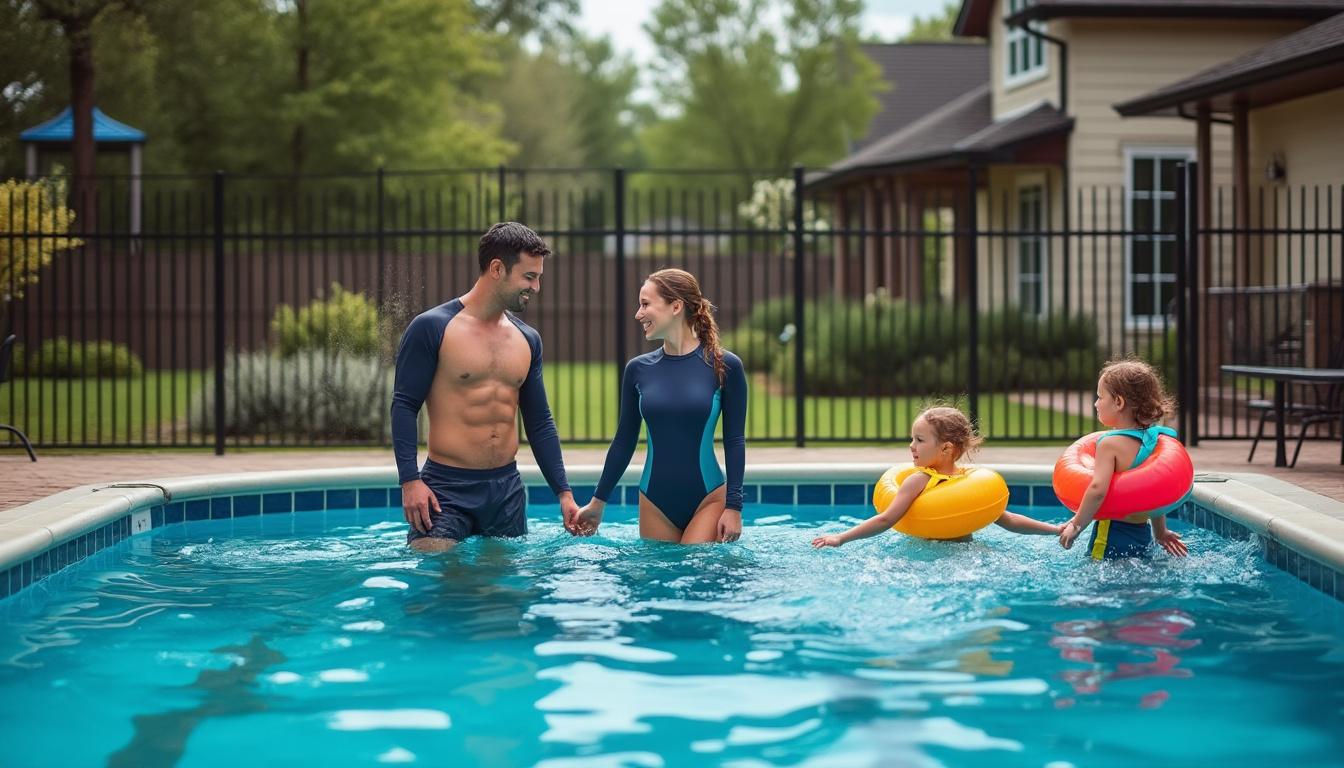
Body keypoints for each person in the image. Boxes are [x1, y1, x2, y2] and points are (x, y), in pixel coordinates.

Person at [390, 222, 577, 552]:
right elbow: (405, 405)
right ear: (497, 269)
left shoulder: (527, 339)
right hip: (445, 490)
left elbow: (539, 421)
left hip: (505, 491)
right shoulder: (433, 328)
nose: (536, 287)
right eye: (529, 277)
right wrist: (410, 481)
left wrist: (564, 494)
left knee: (502, 596)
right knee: (439, 580)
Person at [571, 268, 748, 544]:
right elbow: (624, 440)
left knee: (693, 570)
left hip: (708, 499)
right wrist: (598, 503)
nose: (637, 314)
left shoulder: (724, 366)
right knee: (658, 582)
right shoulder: (638, 370)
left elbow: (735, 439)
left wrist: (734, 506)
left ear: (675, 306)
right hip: (654, 503)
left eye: (645, 304)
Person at [811, 406, 1060, 548]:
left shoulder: (966, 485)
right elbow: (886, 519)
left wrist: (1054, 530)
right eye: (912, 439)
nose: (911, 446)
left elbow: (1006, 519)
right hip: (942, 559)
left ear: (946, 449)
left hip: (948, 559)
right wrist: (841, 538)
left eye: (919, 440)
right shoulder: (918, 480)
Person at [1058, 359, 1190, 560]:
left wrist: (1076, 525)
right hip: (1142, 534)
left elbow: (1097, 490)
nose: (1095, 403)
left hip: (1112, 534)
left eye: (1100, 397)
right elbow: (1153, 491)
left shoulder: (1110, 444)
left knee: (1100, 588)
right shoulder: (1153, 439)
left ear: (1118, 402)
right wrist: (1161, 533)